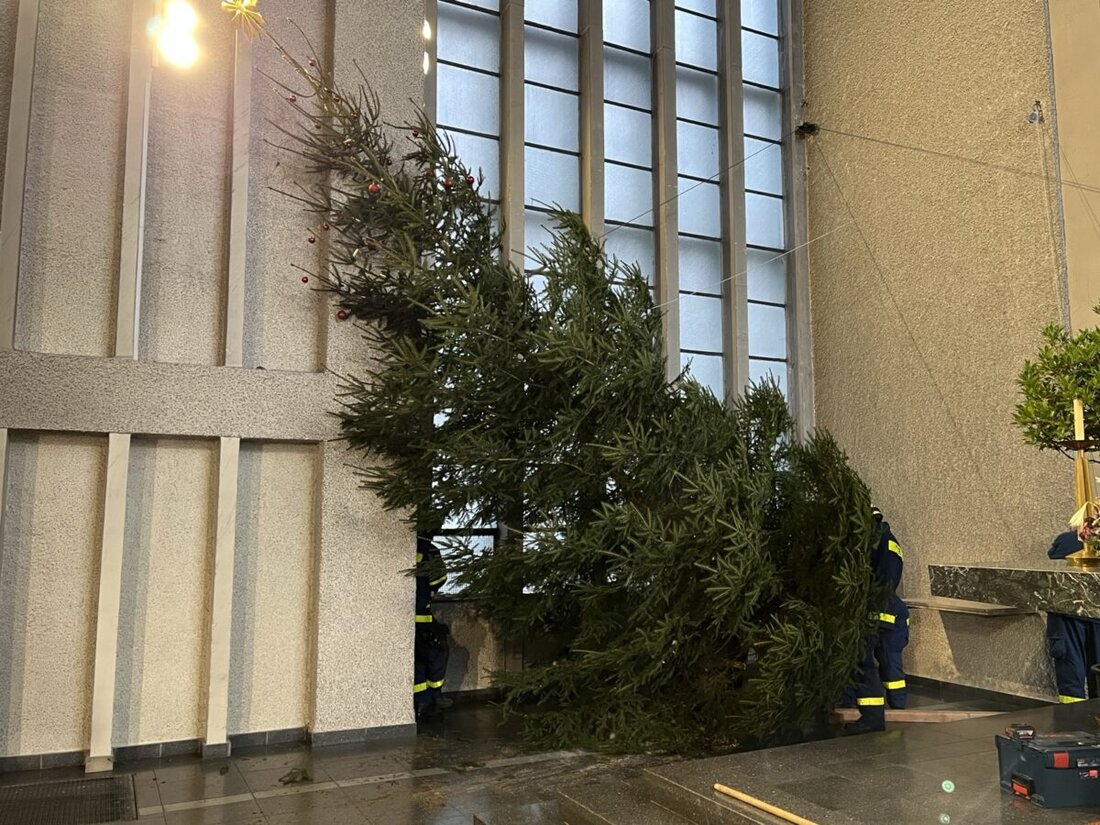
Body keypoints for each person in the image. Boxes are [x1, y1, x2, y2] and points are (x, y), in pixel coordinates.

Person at [841, 505, 909, 734]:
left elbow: (880, 581)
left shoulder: (879, 541)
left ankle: (873, 715)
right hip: (883, 610)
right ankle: (891, 704)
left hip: (878, 611)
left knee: (866, 660)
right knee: (883, 660)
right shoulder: (887, 541)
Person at [1046, 531, 1100, 703]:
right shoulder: (1071, 540)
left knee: (1070, 679)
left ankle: (1070, 722)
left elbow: (1054, 556)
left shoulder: (1067, 540)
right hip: (1078, 615)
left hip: (1065, 614)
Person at [414, 533, 451, 720]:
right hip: (423, 618)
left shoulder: (406, 544)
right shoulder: (429, 549)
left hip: (402, 618)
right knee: (436, 654)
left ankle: (423, 700)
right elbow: (439, 580)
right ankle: (432, 698)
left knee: (417, 660)